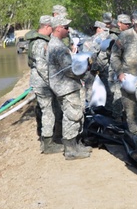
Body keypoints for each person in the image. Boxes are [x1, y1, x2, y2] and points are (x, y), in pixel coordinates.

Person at [47, 16, 92, 159]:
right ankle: (71, 150)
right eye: (66, 27)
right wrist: (85, 68)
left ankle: (75, 145)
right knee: (72, 116)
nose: (68, 30)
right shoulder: (58, 47)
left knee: (76, 114)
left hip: (66, 86)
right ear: (58, 28)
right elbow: (69, 70)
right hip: (66, 87)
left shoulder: (56, 44)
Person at [26, 16, 62, 154]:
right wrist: (53, 82)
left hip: (40, 82)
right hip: (42, 83)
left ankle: (49, 138)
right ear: (47, 27)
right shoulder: (40, 43)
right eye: (52, 28)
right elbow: (42, 67)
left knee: (47, 110)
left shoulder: (37, 41)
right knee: (48, 112)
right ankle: (48, 144)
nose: (53, 31)